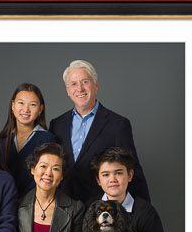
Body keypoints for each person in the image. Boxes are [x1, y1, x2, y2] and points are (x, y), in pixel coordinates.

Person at [46, 60, 151, 203]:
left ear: (96, 85)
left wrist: (143, 212)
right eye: (74, 84)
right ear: (68, 91)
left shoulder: (118, 124)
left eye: (85, 82)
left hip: (101, 210)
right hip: (65, 207)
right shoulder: (57, 124)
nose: (80, 88)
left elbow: (132, 169)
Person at [0, 82, 56, 200]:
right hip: (2, 204)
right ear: (13, 106)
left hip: (33, 207)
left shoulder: (48, 140)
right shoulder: (0, 140)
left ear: (40, 109)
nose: (26, 109)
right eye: (21, 103)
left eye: (32, 105)